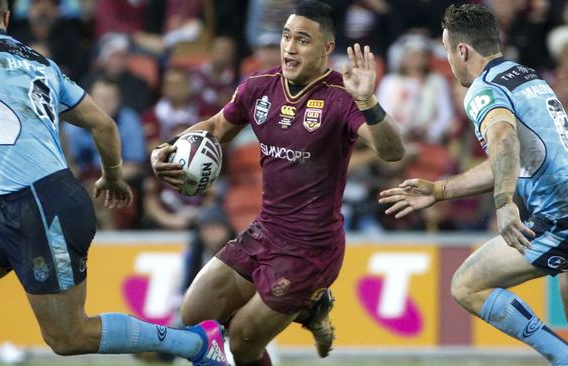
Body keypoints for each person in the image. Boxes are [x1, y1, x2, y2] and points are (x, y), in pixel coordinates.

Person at [0, 1, 228, 365]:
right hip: (22, 202)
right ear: (7, 19)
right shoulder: (40, 62)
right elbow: (104, 124)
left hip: (42, 207)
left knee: (69, 336)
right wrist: (113, 176)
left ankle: (197, 343)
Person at [151, 1, 404, 365]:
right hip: (265, 230)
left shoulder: (341, 96)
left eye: (302, 40)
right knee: (194, 317)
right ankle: (310, 310)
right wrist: (168, 149)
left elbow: (392, 151)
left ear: (326, 48)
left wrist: (367, 100)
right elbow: (217, 128)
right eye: (287, 37)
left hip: (311, 249)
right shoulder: (258, 87)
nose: (290, 47)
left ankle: (307, 303)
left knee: (242, 342)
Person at [379, 4, 568, 365]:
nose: (447, 60)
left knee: (466, 285)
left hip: (566, 218)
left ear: (462, 50)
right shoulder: (527, 76)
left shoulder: (483, 90)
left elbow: (504, 142)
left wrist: (505, 203)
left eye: (446, 51)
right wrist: (439, 190)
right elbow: (506, 161)